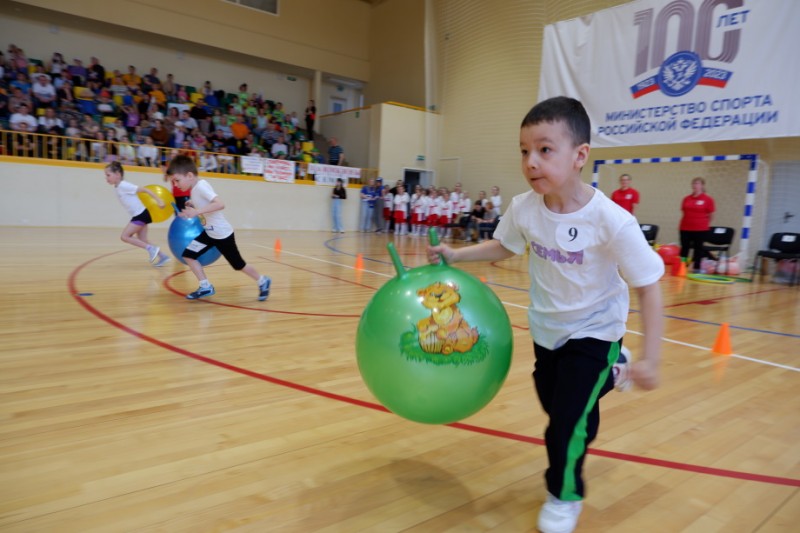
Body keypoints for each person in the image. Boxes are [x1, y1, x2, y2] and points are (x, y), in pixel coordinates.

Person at [426, 96, 664, 533]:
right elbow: (505, 246)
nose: (531, 161)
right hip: (547, 331)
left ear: (580, 156)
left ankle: (564, 494)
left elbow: (648, 285)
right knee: (562, 409)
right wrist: (456, 255)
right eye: (524, 151)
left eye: (544, 149)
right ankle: (614, 373)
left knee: (566, 425)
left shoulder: (612, 221)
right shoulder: (524, 209)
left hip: (595, 331)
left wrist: (652, 357)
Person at [165, 155, 272, 301]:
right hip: (209, 233)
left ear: (189, 175)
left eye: (177, 180)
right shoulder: (194, 189)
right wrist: (193, 204)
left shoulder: (201, 186)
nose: (176, 185)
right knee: (189, 254)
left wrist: (196, 211)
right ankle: (205, 286)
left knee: (238, 264)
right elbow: (204, 204)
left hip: (222, 235)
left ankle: (262, 280)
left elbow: (219, 204)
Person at [104, 161, 171, 267]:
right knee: (143, 240)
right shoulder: (118, 187)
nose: (106, 178)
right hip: (142, 214)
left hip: (141, 215)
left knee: (125, 236)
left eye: (108, 175)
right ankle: (163, 256)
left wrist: (159, 200)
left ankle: (151, 249)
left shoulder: (124, 185)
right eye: (106, 175)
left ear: (118, 174)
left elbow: (145, 189)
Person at [679, 176, 715, 271]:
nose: (695, 185)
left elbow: (711, 215)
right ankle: (681, 267)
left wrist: (704, 224)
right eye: (693, 183)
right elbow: (684, 212)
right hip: (685, 228)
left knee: (698, 249)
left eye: (697, 183)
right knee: (684, 248)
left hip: (700, 229)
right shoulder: (686, 199)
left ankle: (696, 267)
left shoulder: (708, 199)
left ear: (702, 186)